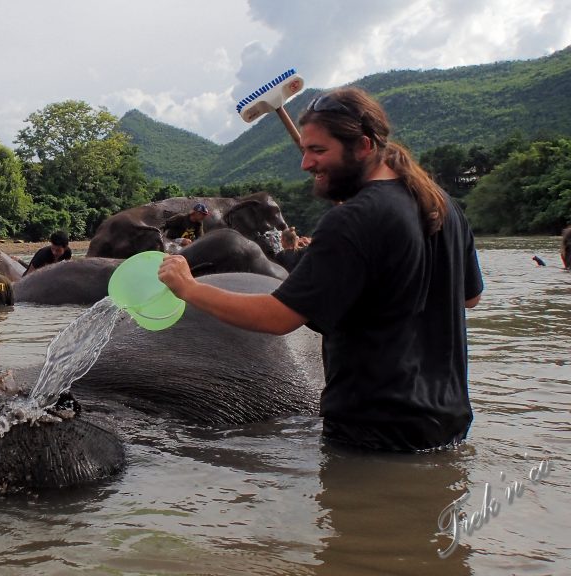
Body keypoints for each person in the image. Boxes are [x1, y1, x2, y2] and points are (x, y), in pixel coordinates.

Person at [158, 87, 484, 452]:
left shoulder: (352, 220)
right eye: (306, 150)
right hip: (448, 426)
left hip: (373, 436)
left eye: (318, 151)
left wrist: (189, 288)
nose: (306, 164)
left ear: (362, 147)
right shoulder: (444, 206)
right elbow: (470, 297)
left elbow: (277, 318)